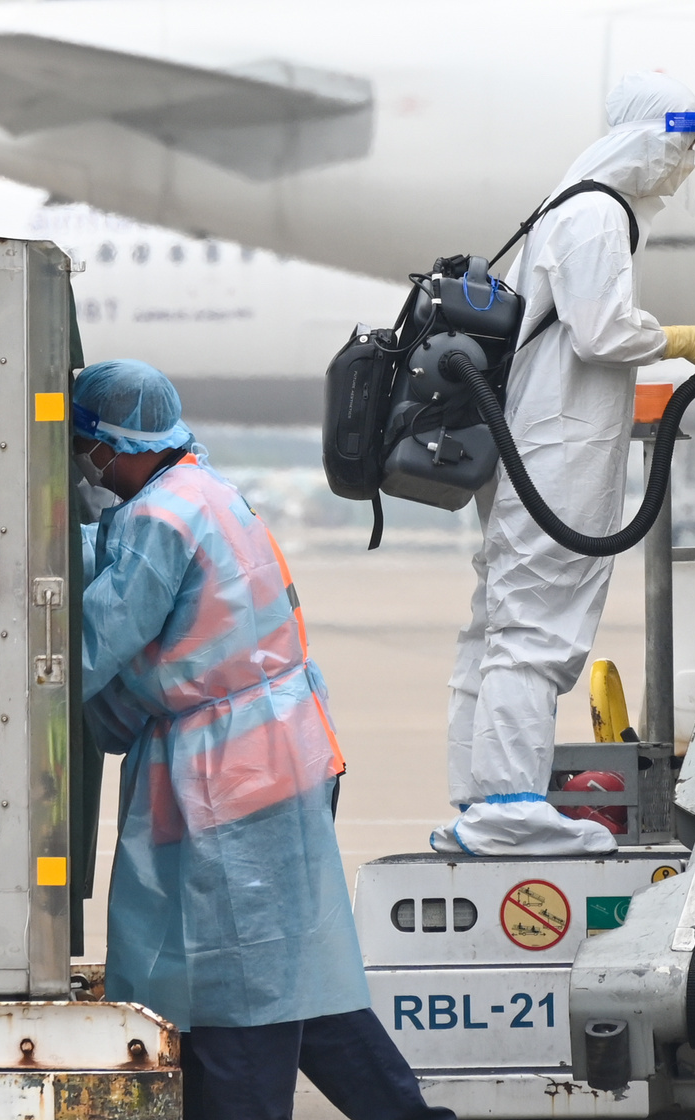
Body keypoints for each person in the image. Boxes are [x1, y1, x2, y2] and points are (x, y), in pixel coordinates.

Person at [75, 360, 451, 1120]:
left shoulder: (159, 520)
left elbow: (89, 642)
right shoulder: (200, 491)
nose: (91, 466)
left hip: (230, 772)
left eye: (90, 448)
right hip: (272, 751)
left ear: (120, 442)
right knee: (293, 974)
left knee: (238, 984)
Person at [436, 71, 695, 856]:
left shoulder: (574, 208)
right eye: (680, 143)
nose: (684, 163)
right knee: (537, 628)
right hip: (557, 451)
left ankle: (479, 800)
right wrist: (681, 340)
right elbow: (601, 333)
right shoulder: (595, 215)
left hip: (537, 444)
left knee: (499, 623)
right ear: (643, 136)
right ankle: (510, 811)